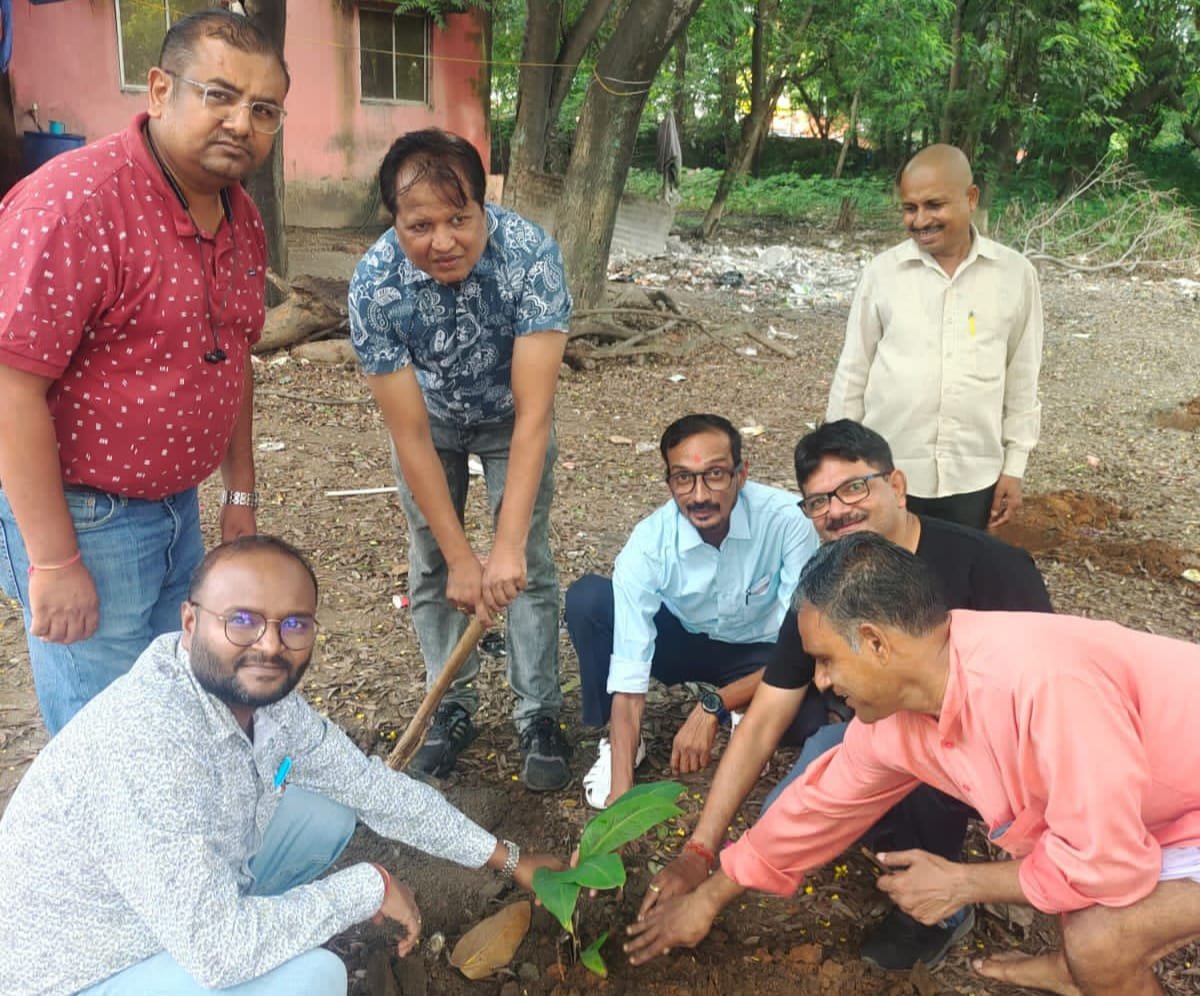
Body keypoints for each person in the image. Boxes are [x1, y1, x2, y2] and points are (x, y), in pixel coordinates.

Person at [625, 533, 1200, 996]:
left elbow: (1104, 866)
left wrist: (964, 883)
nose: (820, 681)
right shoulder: (899, 716)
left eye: (825, 660)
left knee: (1103, 939)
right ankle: (1078, 970)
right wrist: (705, 899)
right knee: (1067, 881)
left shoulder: (1043, 685)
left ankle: (1090, 968)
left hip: (1180, 812)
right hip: (1155, 809)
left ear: (875, 642)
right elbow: (815, 809)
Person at [0, 535, 563, 995]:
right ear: (191, 622)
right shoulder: (148, 742)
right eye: (242, 621)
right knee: (314, 978)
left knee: (329, 811)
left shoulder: (269, 708)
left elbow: (373, 789)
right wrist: (369, 887)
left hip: (166, 906)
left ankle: (244, 922)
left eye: (294, 624)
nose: (270, 646)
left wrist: (510, 860)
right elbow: (219, 952)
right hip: (79, 968)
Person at [641, 419, 1052, 970]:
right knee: (805, 783)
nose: (836, 511)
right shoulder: (827, 584)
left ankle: (942, 903)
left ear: (897, 486)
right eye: (817, 502)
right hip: (885, 731)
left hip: (992, 741)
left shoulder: (991, 568)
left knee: (912, 754)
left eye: (854, 488)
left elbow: (1043, 693)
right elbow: (766, 716)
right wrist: (699, 852)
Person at [0, 10, 286, 735]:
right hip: (85, 519)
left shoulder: (242, 216)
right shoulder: (78, 204)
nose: (240, 123)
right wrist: (55, 561)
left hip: (176, 508)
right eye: (218, 95)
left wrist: (239, 491)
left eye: (263, 110)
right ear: (159, 90)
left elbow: (234, 360)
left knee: (178, 700)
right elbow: (12, 384)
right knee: (108, 736)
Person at [348, 129, 572, 791]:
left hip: (511, 417)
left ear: (483, 202)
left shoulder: (531, 256)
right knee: (432, 565)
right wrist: (461, 557)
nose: (443, 240)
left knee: (525, 562)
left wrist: (501, 550)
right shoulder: (373, 286)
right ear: (393, 218)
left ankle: (539, 713)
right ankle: (452, 706)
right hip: (432, 423)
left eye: (459, 218)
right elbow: (409, 435)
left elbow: (534, 414)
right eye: (419, 225)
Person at [565, 413, 819, 809]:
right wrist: (621, 801)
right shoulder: (649, 543)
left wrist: (714, 705)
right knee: (590, 600)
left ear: (742, 474)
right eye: (683, 478)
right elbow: (630, 675)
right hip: (685, 641)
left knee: (813, 715)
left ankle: (746, 704)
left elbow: (803, 647)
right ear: (669, 483)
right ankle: (618, 746)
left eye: (715, 474)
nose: (699, 495)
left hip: (764, 650)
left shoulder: (788, 520)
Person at [826, 144, 1044, 532]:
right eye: (910, 208)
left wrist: (1015, 467)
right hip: (887, 473)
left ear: (970, 198)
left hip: (974, 478)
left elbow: (1022, 378)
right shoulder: (883, 274)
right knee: (889, 584)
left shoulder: (1015, 275)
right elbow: (853, 371)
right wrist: (840, 465)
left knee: (961, 585)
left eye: (934, 205)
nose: (920, 219)